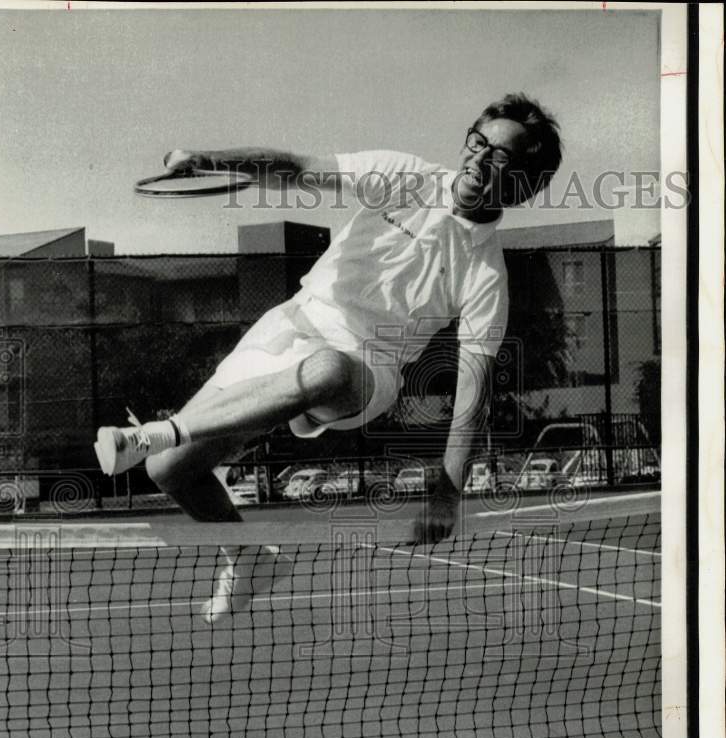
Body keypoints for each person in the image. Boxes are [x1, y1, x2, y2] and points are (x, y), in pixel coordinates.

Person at [95, 93, 562, 620]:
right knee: (169, 472)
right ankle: (247, 557)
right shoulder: (402, 175)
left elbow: (472, 388)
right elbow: (296, 169)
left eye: (500, 156)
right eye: (477, 143)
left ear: (526, 183)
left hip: (365, 372)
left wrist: (447, 491)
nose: (479, 159)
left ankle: (156, 431)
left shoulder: (486, 275)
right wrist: (210, 159)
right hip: (294, 323)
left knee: (327, 368)